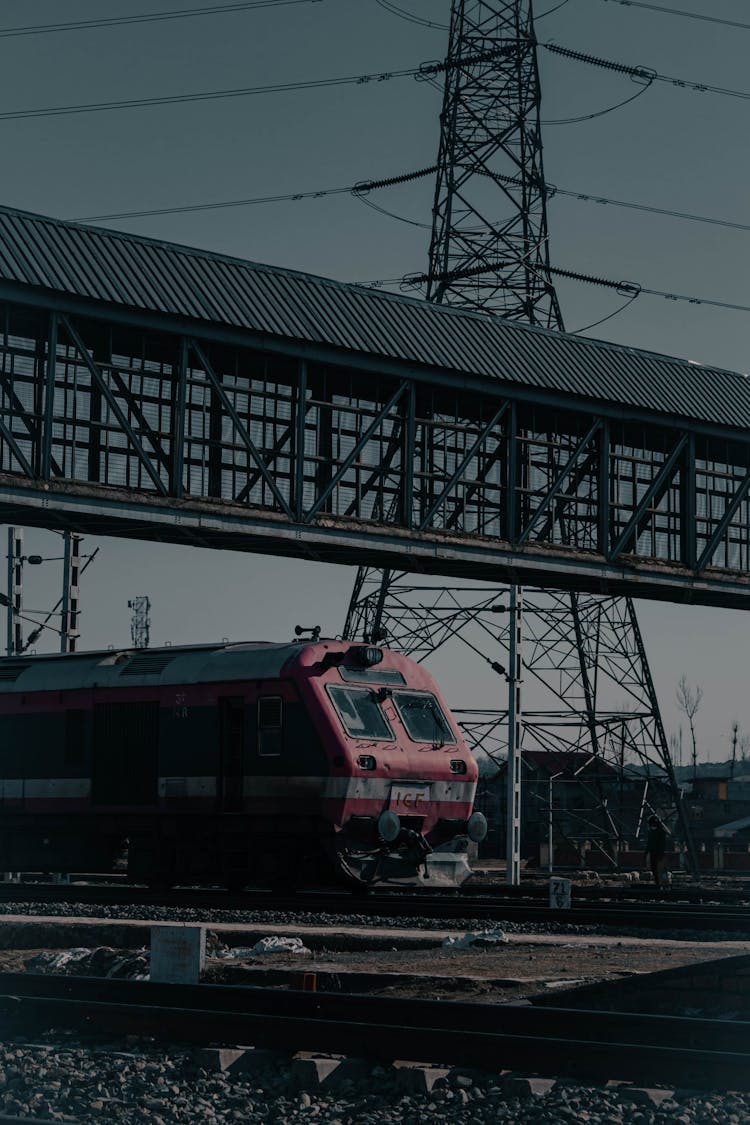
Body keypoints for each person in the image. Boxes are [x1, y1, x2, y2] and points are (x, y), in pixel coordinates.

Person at [645, 815, 667, 888]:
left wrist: (646, 853)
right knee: (657, 870)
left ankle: (660, 884)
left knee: (658, 870)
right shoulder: (659, 832)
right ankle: (660, 884)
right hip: (657, 854)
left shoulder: (656, 833)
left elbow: (650, 844)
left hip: (657, 854)